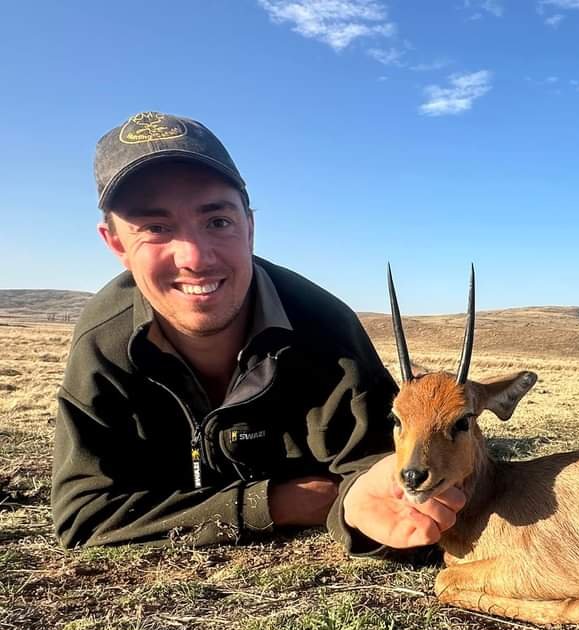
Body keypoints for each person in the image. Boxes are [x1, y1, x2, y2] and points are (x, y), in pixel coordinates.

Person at [52, 111, 463, 553]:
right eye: (155, 228)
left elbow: (377, 468)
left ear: (249, 226)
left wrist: (358, 496)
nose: (195, 256)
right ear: (115, 244)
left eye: (217, 221)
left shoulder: (325, 328)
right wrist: (282, 503)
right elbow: (83, 516)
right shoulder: (104, 342)